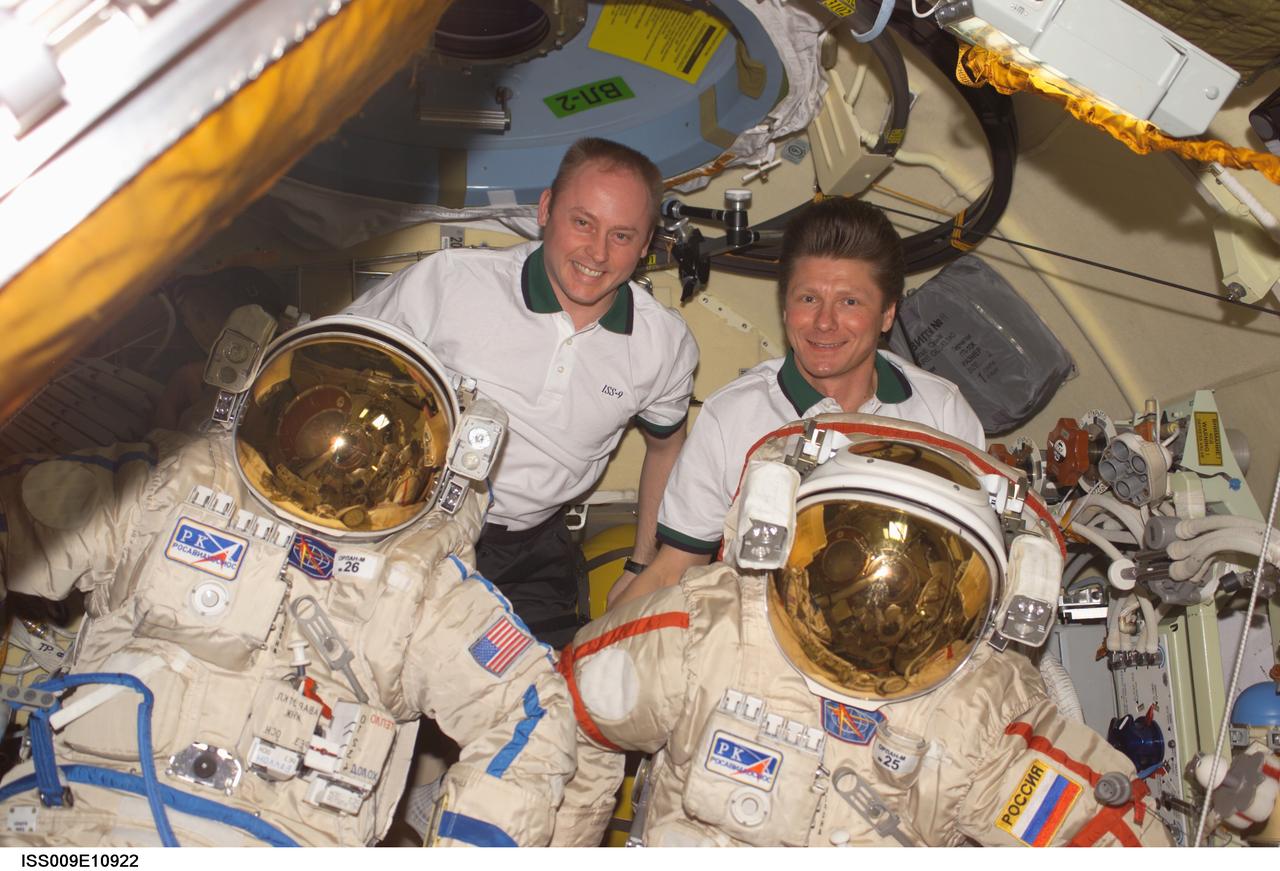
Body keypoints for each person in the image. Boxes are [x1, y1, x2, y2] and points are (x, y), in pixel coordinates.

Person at [0, 315, 574, 847]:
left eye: (376, 438)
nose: (343, 448)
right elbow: (21, 515)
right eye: (325, 415)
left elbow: (531, 710)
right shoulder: (167, 494)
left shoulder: (418, 585)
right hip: (75, 815)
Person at [551, 415, 1173, 847]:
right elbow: (562, 722)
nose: (881, 596)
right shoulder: (707, 638)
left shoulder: (977, 723)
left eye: (914, 579)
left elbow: (1096, 831)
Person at [345, 138, 697, 648]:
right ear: (546, 209)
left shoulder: (662, 344)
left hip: (528, 549)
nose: (597, 254)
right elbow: (338, 355)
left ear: (646, 245)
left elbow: (666, 448)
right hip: (406, 517)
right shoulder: (450, 284)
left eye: (622, 235)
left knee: (547, 703)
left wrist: (640, 563)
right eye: (583, 222)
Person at [611, 197, 983, 608]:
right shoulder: (734, 414)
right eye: (808, 299)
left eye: (850, 301)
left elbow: (975, 564)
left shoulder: (940, 412)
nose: (824, 322)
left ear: (887, 314)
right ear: (785, 308)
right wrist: (599, 646)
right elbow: (675, 566)